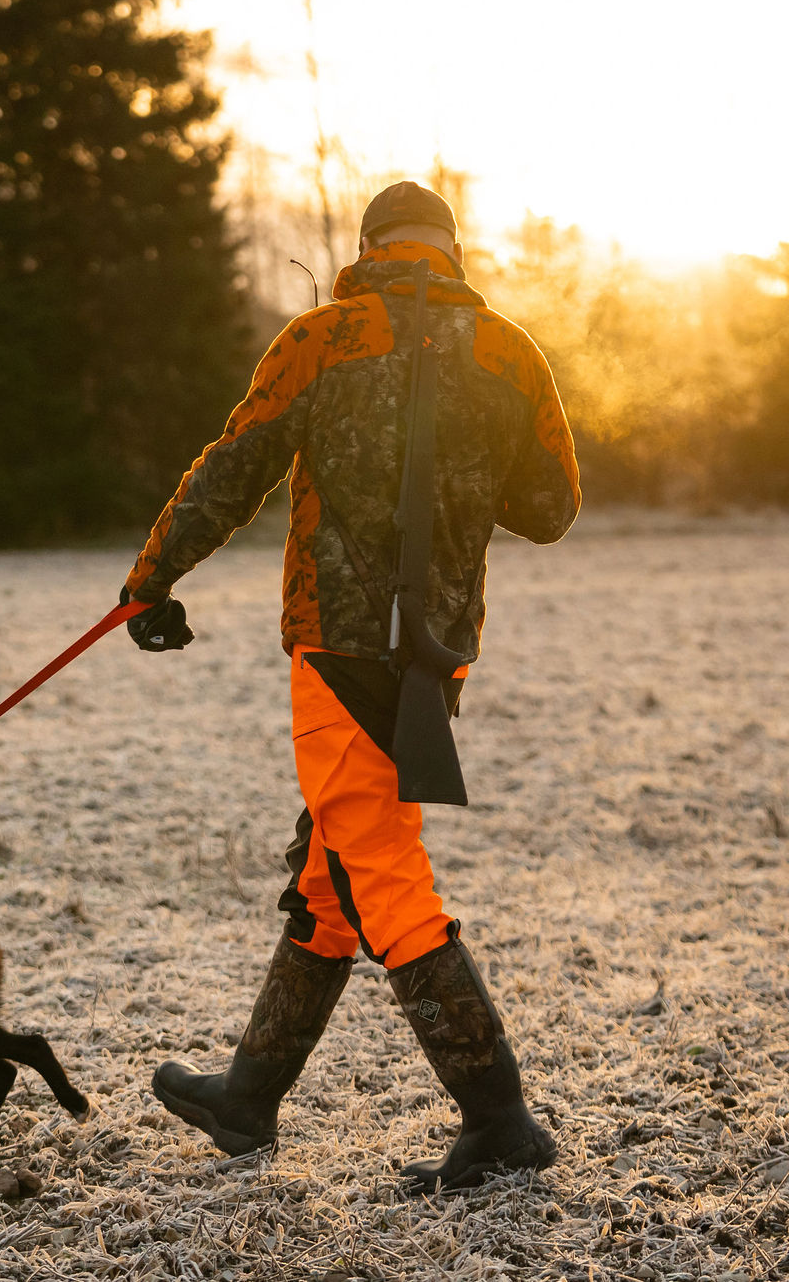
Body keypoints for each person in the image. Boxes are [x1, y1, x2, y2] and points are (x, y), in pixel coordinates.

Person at [119, 181, 579, 1190]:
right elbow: (550, 508)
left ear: (369, 248)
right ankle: (248, 1096)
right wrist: (462, 468)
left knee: (381, 869)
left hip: (336, 642)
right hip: (438, 650)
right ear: (450, 251)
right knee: (334, 870)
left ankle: (499, 1119)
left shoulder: (322, 339)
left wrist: (151, 579)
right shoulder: (509, 353)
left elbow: (233, 466)